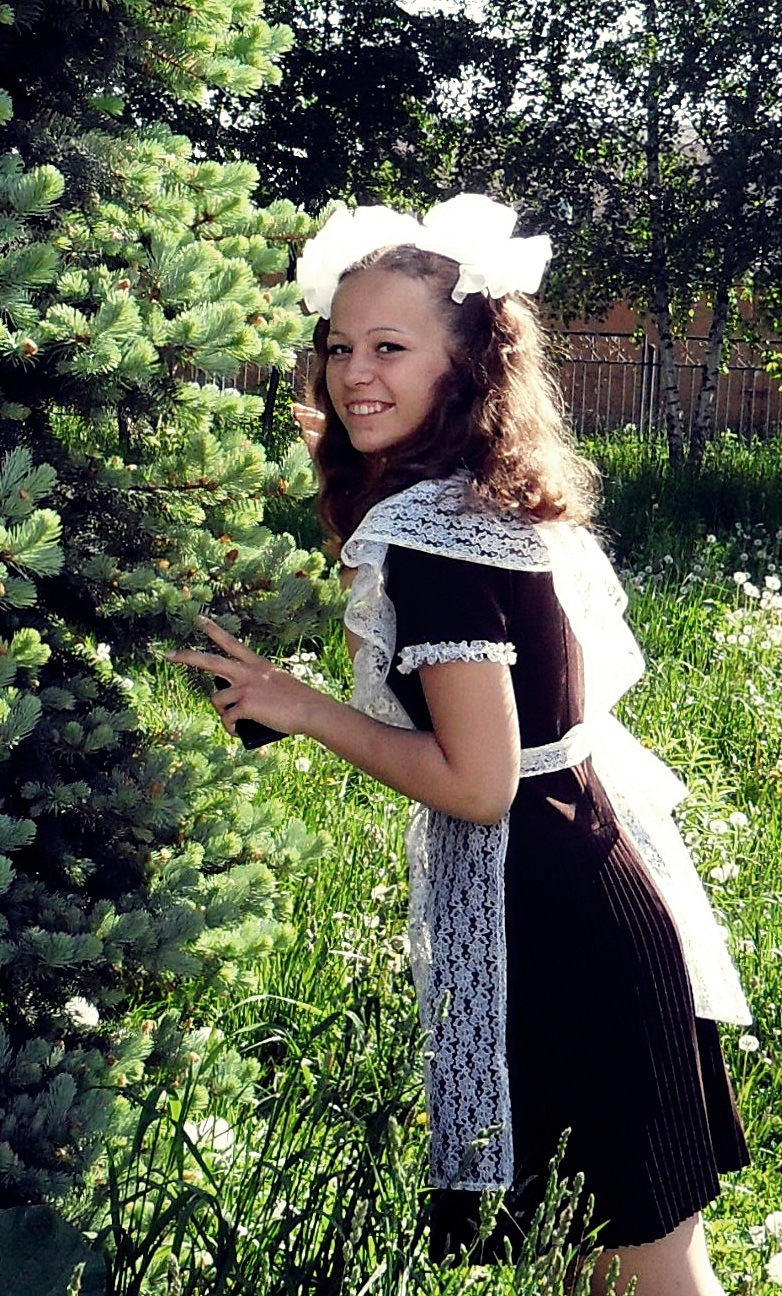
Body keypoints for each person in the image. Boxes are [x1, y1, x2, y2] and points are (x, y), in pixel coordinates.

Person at [168, 195, 751, 1295]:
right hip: (588, 886)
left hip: (557, 927)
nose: (353, 375)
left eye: (389, 348)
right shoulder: (476, 502)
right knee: (626, 1266)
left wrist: (303, 707)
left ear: (470, 363)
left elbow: (478, 786)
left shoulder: (433, 539)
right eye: (340, 347)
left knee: (642, 1273)